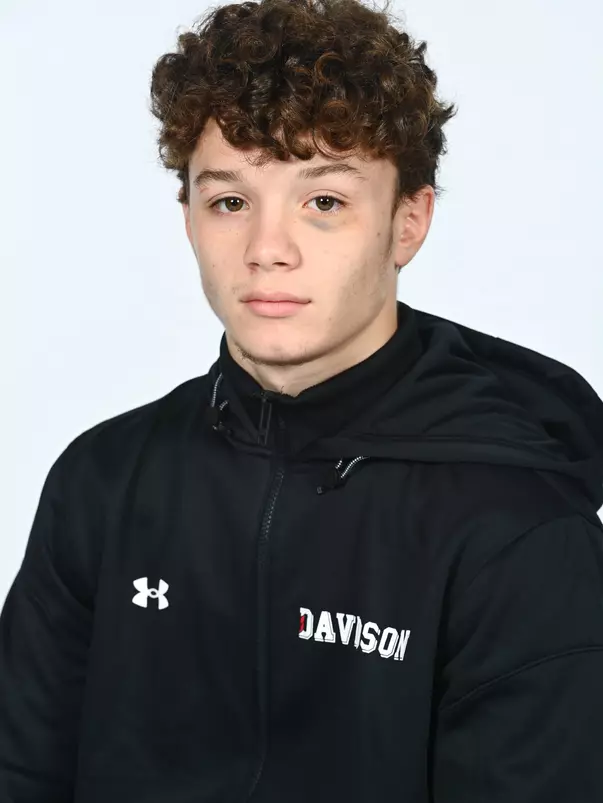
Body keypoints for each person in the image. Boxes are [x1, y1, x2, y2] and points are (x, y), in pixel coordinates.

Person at [1, 0, 602, 800]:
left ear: (407, 223)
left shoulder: (518, 527)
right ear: (187, 216)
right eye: (230, 201)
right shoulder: (104, 482)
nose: (266, 250)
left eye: (323, 201)